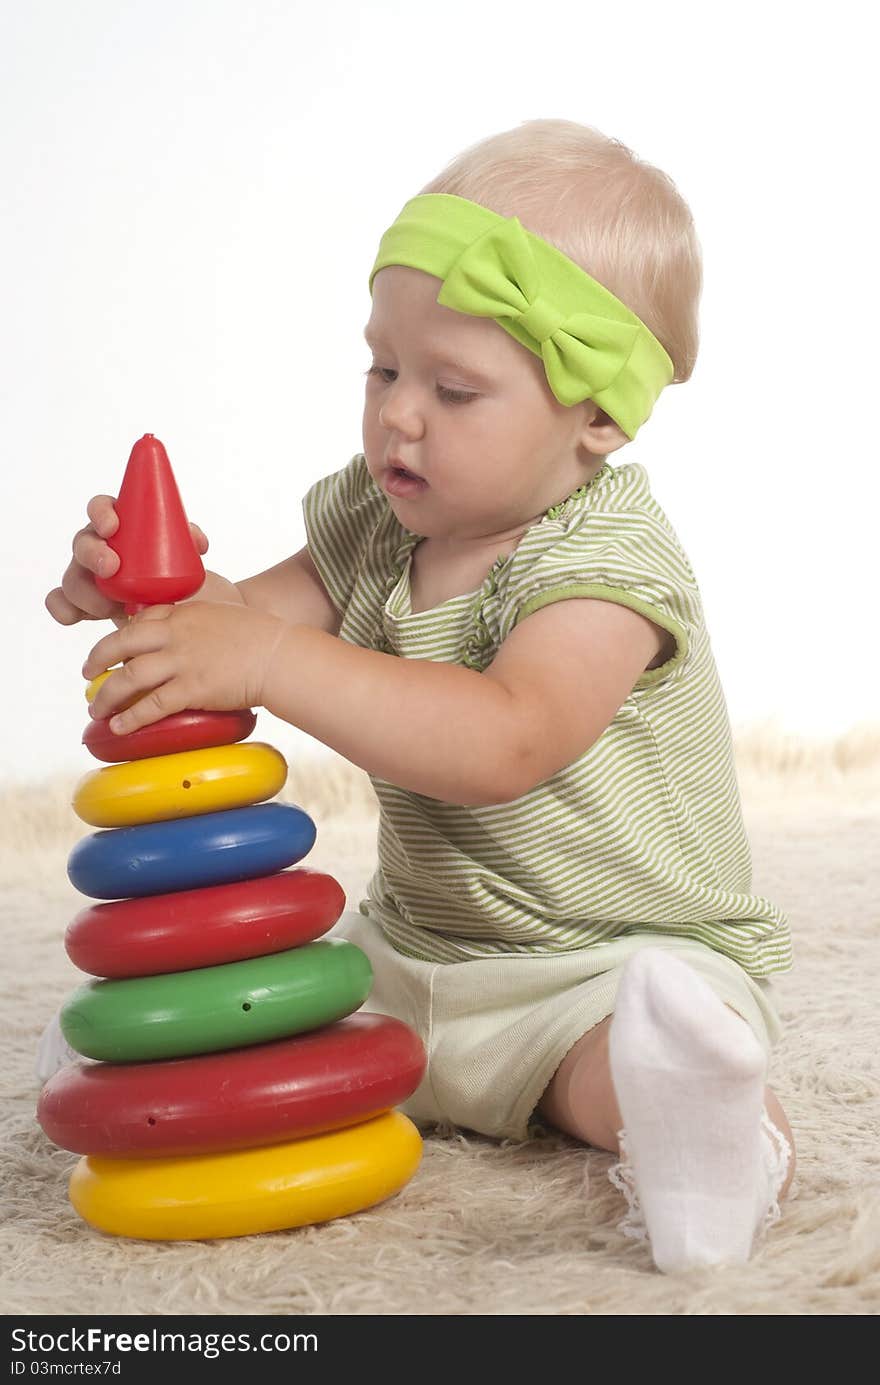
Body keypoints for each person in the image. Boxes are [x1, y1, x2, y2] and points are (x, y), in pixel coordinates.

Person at [44, 118, 794, 1274]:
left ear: (595, 416)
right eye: (383, 366)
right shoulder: (378, 513)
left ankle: (714, 1144)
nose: (399, 413)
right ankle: (140, 1064)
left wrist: (266, 663)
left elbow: (506, 739)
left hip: (597, 962)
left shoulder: (607, 566)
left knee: (643, 1053)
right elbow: (253, 625)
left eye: (453, 386)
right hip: (410, 950)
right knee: (265, 1000)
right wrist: (165, 596)